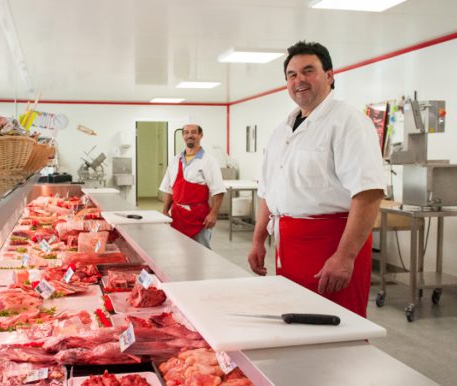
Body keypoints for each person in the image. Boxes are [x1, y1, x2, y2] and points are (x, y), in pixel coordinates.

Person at [247, 41, 385, 317]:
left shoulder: (348, 122)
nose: (299, 80)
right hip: (288, 246)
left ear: (330, 75)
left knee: (337, 328)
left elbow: (368, 194)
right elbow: (268, 190)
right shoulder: (281, 131)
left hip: (330, 247)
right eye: (292, 74)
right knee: (293, 322)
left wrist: (344, 257)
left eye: (308, 71)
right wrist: (258, 240)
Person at [160, 124, 225, 249]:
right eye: (186, 132)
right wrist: (165, 210)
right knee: (178, 251)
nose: (189, 135)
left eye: (194, 132)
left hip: (199, 218)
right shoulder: (175, 160)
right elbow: (168, 189)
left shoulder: (209, 161)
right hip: (177, 216)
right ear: (183, 136)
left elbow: (218, 191)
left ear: (201, 135)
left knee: (201, 254)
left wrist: (213, 214)